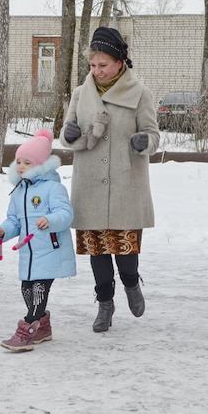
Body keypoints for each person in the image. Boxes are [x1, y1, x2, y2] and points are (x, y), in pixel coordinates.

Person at [59, 27, 159, 333]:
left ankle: (131, 284)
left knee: (125, 254)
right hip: (90, 183)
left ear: (119, 63)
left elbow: (153, 134)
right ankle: (105, 303)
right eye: (92, 65)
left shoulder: (140, 93)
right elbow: (67, 134)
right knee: (98, 253)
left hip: (126, 184)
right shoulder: (81, 94)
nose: (97, 71)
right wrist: (70, 135)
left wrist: (146, 142)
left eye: (103, 65)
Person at [0, 129, 75, 351]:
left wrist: (50, 219)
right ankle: (43, 328)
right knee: (27, 289)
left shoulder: (53, 187)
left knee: (38, 290)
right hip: (28, 253)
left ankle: (27, 330)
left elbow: (66, 214)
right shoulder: (18, 191)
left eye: (27, 162)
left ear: (40, 165)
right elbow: (14, 221)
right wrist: (3, 231)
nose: (21, 167)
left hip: (50, 250)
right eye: (19, 162)